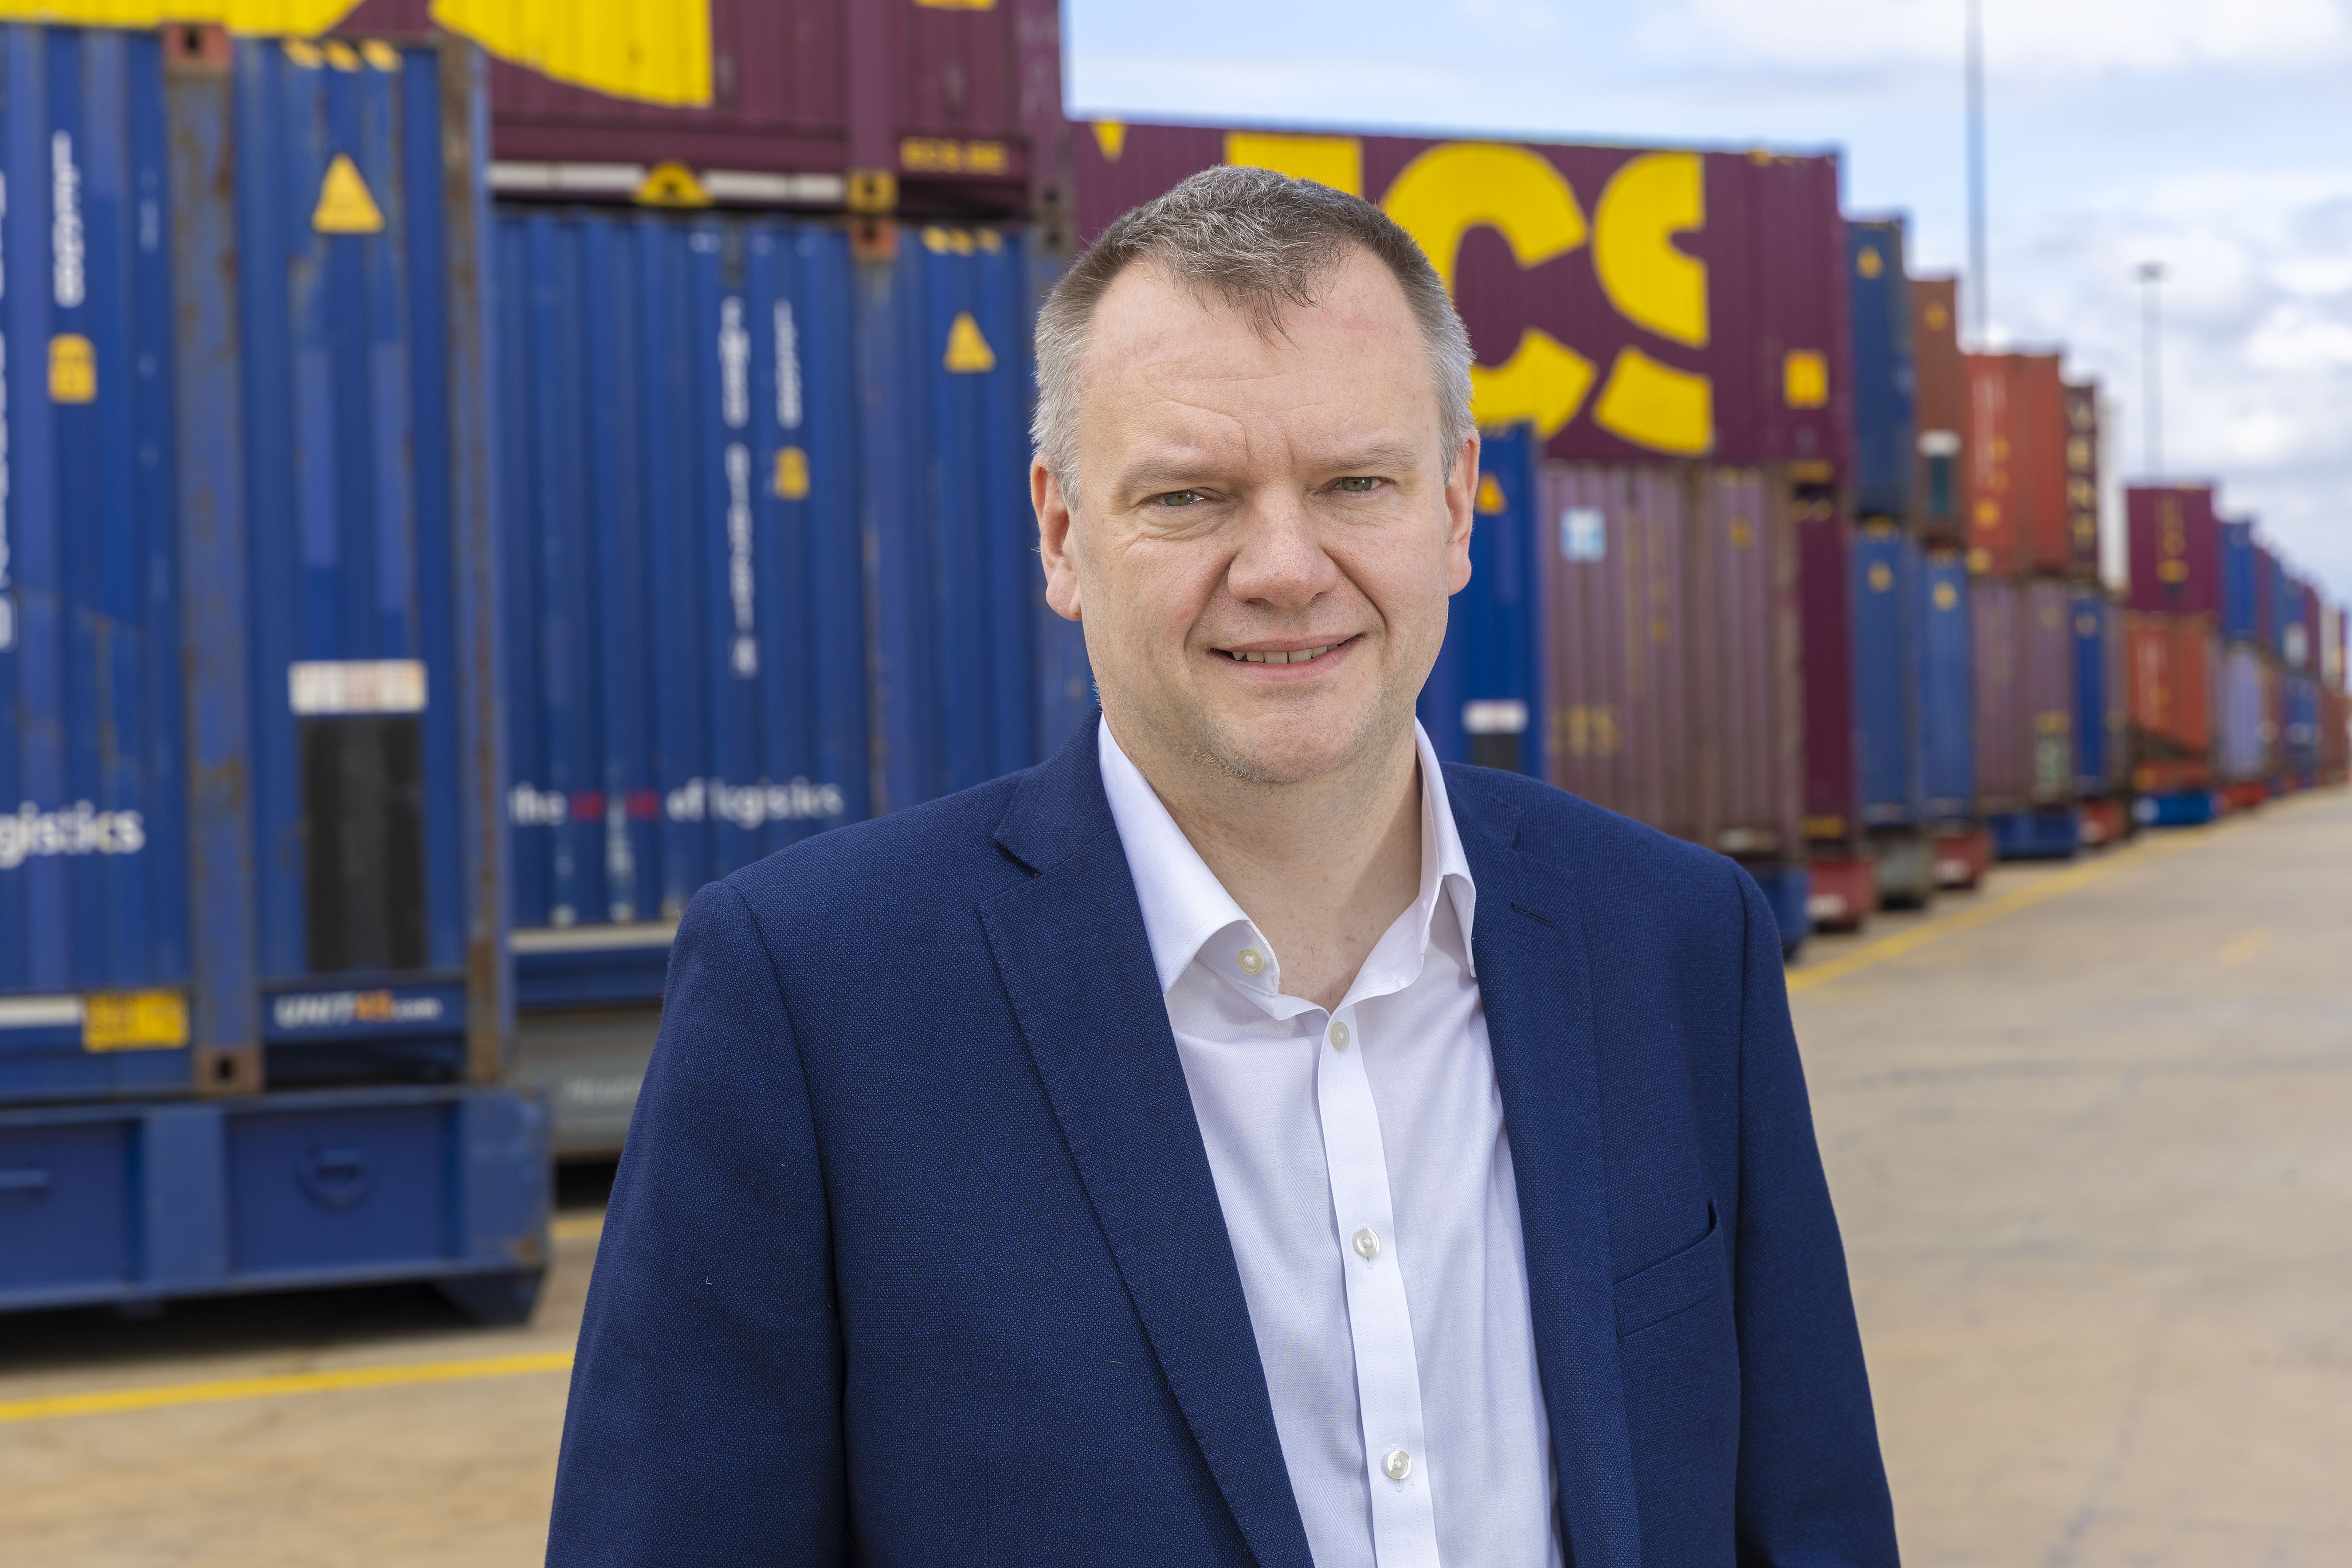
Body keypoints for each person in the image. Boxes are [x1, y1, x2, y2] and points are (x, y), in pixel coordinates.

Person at [547, 167, 1898, 1567]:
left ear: (1457, 504)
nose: (1284, 567)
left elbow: (1807, 1519)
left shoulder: (1676, 942)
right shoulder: (818, 995)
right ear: (1065, 536)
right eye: (1190, 498)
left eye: (1354, 483)